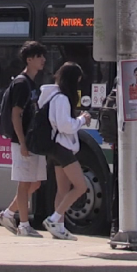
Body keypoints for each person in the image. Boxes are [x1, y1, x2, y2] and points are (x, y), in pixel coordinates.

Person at [0, 41, 47, 238]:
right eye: (38, 56)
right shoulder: (22, 83)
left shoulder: (32, 84)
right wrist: (22, 142)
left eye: (43, 56)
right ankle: (24, 225)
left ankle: (8, 214)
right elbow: (16, 114)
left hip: (31, 140)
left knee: (35, 183)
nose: (43, 60)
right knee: (25, 183)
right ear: (29, 59)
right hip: (22, 141)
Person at [40, 62, 91, 240]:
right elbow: (65, 126)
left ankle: (59, 227)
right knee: (81, 187)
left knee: (62, 189)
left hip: (55, 147)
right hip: (62, 148)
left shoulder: (52, 95)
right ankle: (54, 219)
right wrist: (82, 120)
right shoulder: (61, 98)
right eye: (77, 80)